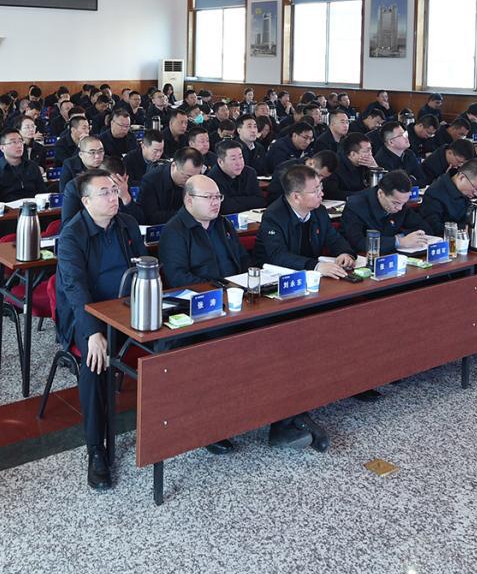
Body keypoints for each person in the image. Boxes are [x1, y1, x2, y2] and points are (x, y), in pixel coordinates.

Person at [252, 165, 355, 451]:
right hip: (276, 290)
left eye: (321, 188)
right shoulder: (274, 215)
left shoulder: (318, 211)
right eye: (316, 190)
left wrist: (344, 253)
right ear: (296, 196)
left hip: (312, 284)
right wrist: (315, 266)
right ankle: (292, 408)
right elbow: (277, 256)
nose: (322, 194)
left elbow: (333, 239)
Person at [56, 170, 147, 489]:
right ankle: (96, 450)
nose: (113, 198)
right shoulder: (72, 236)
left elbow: (143, 263)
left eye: (114, 191)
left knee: (175, 344)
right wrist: (93, 332)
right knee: (95, 364)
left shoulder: (127, 223)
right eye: (105, 193)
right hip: (87, 314)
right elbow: (75, 289)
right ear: (85, 201)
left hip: (128, 309)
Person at [160, 174, 251, 291]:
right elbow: (177, 277)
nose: (216, 202)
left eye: (218, 197)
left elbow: (243, 258)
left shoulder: (223, 223)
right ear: (189, 200)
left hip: (236, 290)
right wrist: (219, 288)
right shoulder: (174, 231)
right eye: (208, 197)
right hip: (205, 295)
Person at [339, 170, 428, 254]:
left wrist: (401, 237)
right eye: (395, 203)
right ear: (381, 193)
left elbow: (423, 227)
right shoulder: (356, 205)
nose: (400, 208)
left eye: (403, 203)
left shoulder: (400, 201)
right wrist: (398, 242)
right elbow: (357, 242)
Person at [419, 159, 477, 236]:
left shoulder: (473, 192)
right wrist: (466, 227)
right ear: (462, 177)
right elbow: (433, 229)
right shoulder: (435, 193)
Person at [61, 157, 142, 225]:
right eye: (114, 182)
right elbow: (68, 224)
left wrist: (125, 197)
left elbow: (139, 222)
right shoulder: (74, 187)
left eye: (115, 187)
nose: (116, 187)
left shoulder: (122, 184)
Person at [138, 147, 204, 225]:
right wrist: (187, 214)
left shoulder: (197, 180)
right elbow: (150, 216)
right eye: (187, 176)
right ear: (174, 166)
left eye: (195, 177)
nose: (190, 181)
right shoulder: (151, 180)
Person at [0, 128, 49, 202]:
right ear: (2, 148)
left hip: (33, 206)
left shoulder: (32, 166)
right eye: (13, 142)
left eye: (20, 141)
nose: (19, 145)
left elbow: (43, 193)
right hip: (8, 208)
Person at [206, 139, 264, 214]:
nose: (239, 163)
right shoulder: (212, 179)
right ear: (220, 162)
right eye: (233, 159)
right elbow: (225, 207)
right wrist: (248, 200)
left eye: (240, 157)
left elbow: (260, 201)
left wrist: (234, 201)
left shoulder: (250, 172)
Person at [268, 150, 337, 202]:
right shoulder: (286, 170)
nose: (320, 179)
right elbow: (275, 196)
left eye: (324, 177)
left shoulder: (322, 175)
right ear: (311, 163)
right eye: (319, 175)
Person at [325, 133, 377, 200]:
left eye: (370, 150)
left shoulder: (366, 164)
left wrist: (375, 168)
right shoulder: (334, 166)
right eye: (367, 151)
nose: (370, 154)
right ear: (353, 154)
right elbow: (332, 194)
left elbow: (381, 187)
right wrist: (363, 195)